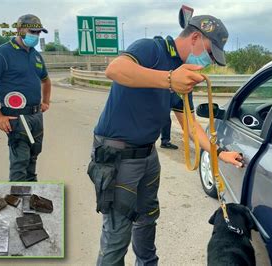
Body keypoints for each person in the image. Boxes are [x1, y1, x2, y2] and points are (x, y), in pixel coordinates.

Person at [87, 15, 243, 265]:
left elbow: (191, 125)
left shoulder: (182, 77)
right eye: (209, 54)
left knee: (147, 220)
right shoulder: (151, 49)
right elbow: (114, 69)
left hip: (147, 156)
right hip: (117, 156)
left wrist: (218, 152)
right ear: (194, 38)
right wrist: (170, 80)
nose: (208, 63)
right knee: (116, 236)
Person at [0, 14, 51, 181]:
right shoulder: (2, 54)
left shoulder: (36, 55)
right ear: (19, 30)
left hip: (36, 117)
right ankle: (17, 203)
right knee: (20, 165)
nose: (36, 35)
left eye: (39, 32)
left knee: (32, 162)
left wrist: (46, 102)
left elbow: (46, 80)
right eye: (32, 31)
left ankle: (30, 201)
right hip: (16, 118)